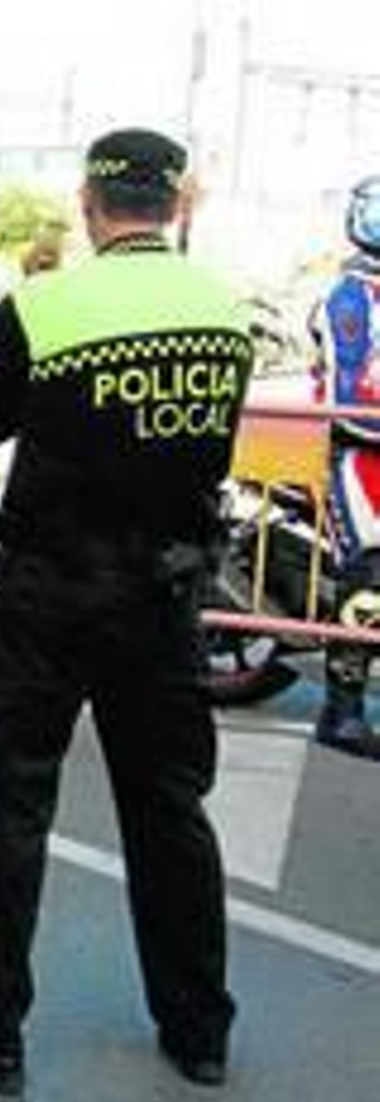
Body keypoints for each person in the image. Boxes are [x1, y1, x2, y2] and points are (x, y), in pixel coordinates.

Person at [0, 128, 253, 1094]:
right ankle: (200, 1030)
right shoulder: (226, 312)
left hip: (51, 593)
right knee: (171, 809)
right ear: (176, 204)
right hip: (167, 593)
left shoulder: (45, 307)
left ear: (90, 204)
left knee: (11, 808)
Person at [308, 175, 380, 760]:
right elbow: (350, 397)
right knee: (368, 578)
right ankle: (342, 711)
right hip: (358, 458)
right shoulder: (351, 297)